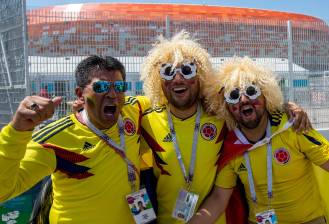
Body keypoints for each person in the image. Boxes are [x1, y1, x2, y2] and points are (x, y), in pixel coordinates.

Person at [139, 31, 311, 223]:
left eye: (187, 70)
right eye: (168, 72)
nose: (178, 79)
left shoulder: (221, 116)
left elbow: (253, 107)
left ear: (200, 75)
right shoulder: (144, 121)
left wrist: (285, 106)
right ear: (158, 79)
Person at [189, 57, 329, 224]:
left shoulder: (293, 128)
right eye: (234, 95)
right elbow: (219, 198)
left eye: (251, 91)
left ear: (265, 95)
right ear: (227, 106)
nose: (243, 100)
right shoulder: (231, 146)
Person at [0, 55, 149, 223]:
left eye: (119, 86)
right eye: (101, 87)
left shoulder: (134, 109)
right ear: (80, 94)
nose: (113, 94)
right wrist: (16, 131)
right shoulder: (54, 139)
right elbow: (3, 190)